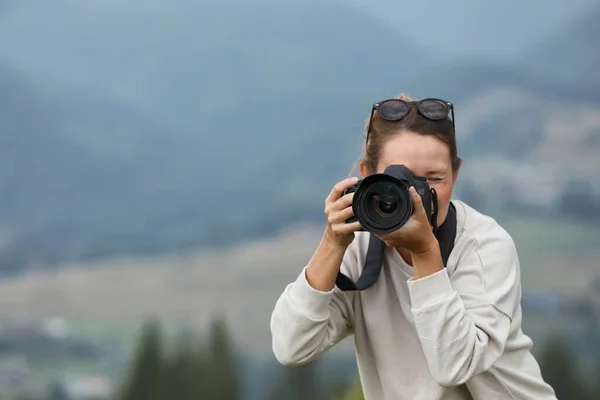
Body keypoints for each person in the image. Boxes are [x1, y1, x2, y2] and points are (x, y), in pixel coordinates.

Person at [269, 94, 557, 399]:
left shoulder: (485, 246)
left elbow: (454, 366)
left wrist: (424, 253)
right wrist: (332, 243)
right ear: (367, 175)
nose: (417, 195)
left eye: (434, 178)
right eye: (400, 179)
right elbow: (291, 346)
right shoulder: (358, 249)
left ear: (455, 176)